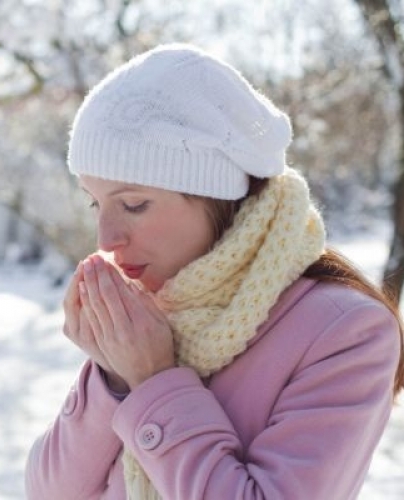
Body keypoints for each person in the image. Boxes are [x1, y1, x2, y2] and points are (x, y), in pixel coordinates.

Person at [25, 43, 404, 500]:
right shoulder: (155, 304)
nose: (106, 239)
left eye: (133, 204)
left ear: (216, 197)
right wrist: (112, 376)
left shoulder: (345, 331)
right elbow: (50, 493)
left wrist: (153, 382)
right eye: (94, 202)